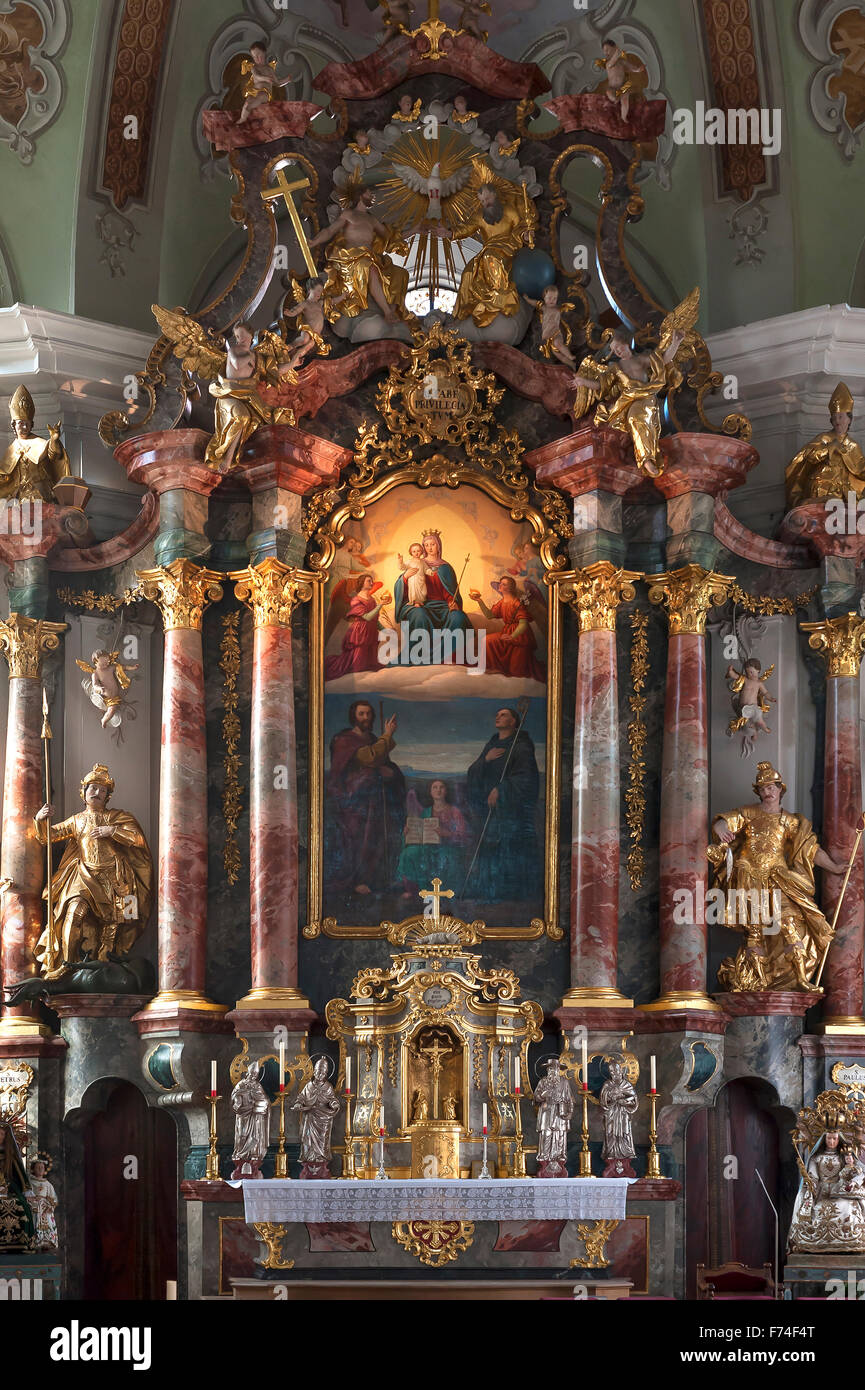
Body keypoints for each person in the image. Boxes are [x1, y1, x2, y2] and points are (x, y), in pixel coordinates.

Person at [710, 761, 847, 992]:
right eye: (763, 788)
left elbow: (810, 849)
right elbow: (724, 821)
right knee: (754, 931)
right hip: (748, 875)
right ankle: (760, 981)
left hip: (778, 877)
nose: (767, 792)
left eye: (771, 787)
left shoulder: (790, 821)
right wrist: (720, 829)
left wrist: (833, 867)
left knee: (791, 923)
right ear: (758, 791)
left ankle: (802, 979)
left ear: (780, 789)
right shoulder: (749, 813)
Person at [33, 763, 154, 981]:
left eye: (102, 790)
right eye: (92, 788)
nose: (97, 792)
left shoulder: (118, 817)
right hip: (83, 874)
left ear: (108, 796)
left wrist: (113, 831)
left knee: (117, 923)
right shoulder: (77, 820)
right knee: (73, 912)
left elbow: (137, 840)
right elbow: (47, 837)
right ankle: (66, 964)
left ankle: (106, 961)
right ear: (84, 792)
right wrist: (41, 820)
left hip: (116, 877)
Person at [326, 700, 406, 896]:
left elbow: (383, 762)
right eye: (362, 714)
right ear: (354, 716)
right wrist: (387, 735)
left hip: (374, 801)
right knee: (358, 840)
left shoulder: (372, 738)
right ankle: (357, 880)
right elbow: (369, 758)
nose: (366, 718)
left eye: (369, 714)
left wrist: (389, 771)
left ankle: (377, 879)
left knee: (376, 839)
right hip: (353, 801)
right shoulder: (344, 740)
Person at [464, 707, 540, 901]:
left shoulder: (521, 745)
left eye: (504, 714)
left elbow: (526, 777)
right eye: (497, 714)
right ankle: (487, 892)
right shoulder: (492, 743)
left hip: (511, 810)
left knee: (508, 848)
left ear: (514, 721)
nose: (498, 717)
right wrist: (486, 760)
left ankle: (507, 895)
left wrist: (502, 789)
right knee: (488, 847)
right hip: (489, 808)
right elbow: (473, 771)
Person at [308, 184, 410, 324]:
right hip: (350, 259)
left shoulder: (372, 219)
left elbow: (390, 237)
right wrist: (314, 242)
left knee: (401, 273)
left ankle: (398, 308)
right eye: (369, 194)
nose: (372, 196)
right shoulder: (348, 214)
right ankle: (387, 312)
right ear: (360, 196)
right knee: (370, 268)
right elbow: (330, 231)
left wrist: (415, 230)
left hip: (369, 256)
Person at [444, 177, 536, 327]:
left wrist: (525, 235)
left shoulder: (509, 211)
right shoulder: (480, 216)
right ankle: (460, 316)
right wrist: (449, 233)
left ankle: (499, 296)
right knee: (468, 272)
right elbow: (466, 228)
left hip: (508, 248)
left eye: (487, 198)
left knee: (490, 257)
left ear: (495, 195)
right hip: (489, 249)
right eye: (482, 201)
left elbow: (520, 228)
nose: (485, 203)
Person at [785, 382, 865, 508]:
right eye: (834, 418)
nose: (837, 421)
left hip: (843, 489)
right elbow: (808, 456)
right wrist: (829, 448)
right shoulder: (824, 438)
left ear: (849, 419)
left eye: (841, 417)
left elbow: (861, 470)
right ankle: (806, 503)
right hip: (821, 483)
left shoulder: (853, 445)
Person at [393, 529, 472, 650]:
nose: (429, 548)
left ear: (438, 546)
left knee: (458, 617)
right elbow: (402, 585)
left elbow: (450, 591)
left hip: (443, 606)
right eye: (426, 545)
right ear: (423, 547)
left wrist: (453, 602)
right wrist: (405, 577)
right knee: (419, 615)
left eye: (433, 544)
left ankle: (451, 655)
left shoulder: (446, 567)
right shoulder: (417, 562)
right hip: (421, 604)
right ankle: (420, 654)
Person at [788, 1129, 865, 1253]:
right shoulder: (816, 1158)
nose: (832, 1141)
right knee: (816, 1210)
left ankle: (850, 1245)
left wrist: (853, 1182)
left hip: (840, 1191)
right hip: (821, 1192)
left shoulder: (845, 1157)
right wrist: (810, 1183)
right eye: (829, 1138)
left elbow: (860, 1171)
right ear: (824, 1139)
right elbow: (813, 1177)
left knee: (848, 1208)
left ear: (839, 1139)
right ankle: (816, 1246)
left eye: (834, 1138)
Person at [396, 778, 472, 897]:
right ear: (430, 792)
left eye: (441, 787)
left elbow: (463, 836)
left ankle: (443, 894)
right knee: (409, 852)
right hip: (427, 847)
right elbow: (419, 833)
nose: (438, 790)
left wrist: (446, 834)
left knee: (444, 858)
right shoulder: (426, 812)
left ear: (446, 791)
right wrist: (407, 832)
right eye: (435, 787)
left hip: (447, 848)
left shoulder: (454, 811)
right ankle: (416, 891)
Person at [0, 384, 71, 502]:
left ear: (31, 425)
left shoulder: (39, 442)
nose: (24, 427)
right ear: (14, 424)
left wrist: (53, 440)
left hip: (40, 492)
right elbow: (5, 475)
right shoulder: (11, 449)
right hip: (19, 495)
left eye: (27, 423)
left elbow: (54, 455)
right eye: (20, 423)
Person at [468, 575, 545, 680]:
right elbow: (489, 615)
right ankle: (491, 668)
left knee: (517, 672)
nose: (500, 585)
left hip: (520, 637)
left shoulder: (517, 603)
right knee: (487, 640)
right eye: (500, 583)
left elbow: (523, 624)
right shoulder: (501, 603)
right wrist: (479, 601)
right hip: (506, 632)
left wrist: (512, 636)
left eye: (503, 584)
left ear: (510, 588)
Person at [324, 575, 393, 680]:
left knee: (370, 666)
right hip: (360, 633)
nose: (371, 583)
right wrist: (381, 604)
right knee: (357, 666)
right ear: (362, 584)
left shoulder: (372, 600)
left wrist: (385, 630)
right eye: (369, 581)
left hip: (371, 633)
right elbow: (367, 617)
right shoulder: (356, 600)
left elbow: (374, 619)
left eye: (372, 581)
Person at [292, 1058, 340, 1178]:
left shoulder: (328, 1087)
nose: (320, 1075)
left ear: (326, 1074)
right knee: (307, 1139)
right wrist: (298, 1104)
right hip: (309, 1118)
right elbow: (301, 1098)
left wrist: (334, 1104)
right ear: (314, 1072)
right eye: (318, 1072)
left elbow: (332, 1099)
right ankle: (309, 1159)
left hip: (323, 1120)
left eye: (323, 1073)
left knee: (322, 1140)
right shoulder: (309, 1086)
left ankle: (320, 1160)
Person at [533, 1058, 574, 1175]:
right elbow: (536, 1097)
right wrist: (542, 1095)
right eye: (550, 1069)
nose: (552, 1071)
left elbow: (570, 1098)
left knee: (559, 1135)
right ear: (547, 1070)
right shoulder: (543, 1082)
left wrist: (569, 1111)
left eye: (555, 1069)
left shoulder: (564, 1082)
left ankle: (559, 1157)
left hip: (559, 1113)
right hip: (546, 1113)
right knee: (546, 1135)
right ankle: (545, 1158)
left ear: (558, 1070)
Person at [230, 1062, 270, 1179]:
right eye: (252, 1073)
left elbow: (264, 1100)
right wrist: (238, 1102)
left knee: (255, 1137)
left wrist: (263, 1104)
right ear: (247, 1072)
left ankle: (253, 1155)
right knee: (242, 1135)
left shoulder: (257, 1086)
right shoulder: (241, 1084)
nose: (253, 1076)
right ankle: (240, 1154)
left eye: (256, 1074)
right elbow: (234, 1097)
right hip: (243, 1115)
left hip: (255, 1117)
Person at [599, 1060, 638, 1177]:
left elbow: (634, 1100)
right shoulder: (607, 1085)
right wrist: (611, 1097)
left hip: (623, 1114)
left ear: (621, 1071)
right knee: (611, 1134)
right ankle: (611, 1153)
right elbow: (603, 1101)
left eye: (616, 1070)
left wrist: (624, 1100)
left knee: (624, 1134)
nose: (614, 1073)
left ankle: (625, 1154)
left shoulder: (627, 1085)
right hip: (611, 1115)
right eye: (611, 1071)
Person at [25, 1155, 58, 1249]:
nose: (40, 1169)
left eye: (42, 1167)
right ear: (33, 1169)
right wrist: (31, 1199)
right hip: (34, 1208)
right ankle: (34, 1241)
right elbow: (26, 1193)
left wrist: (50, 1205)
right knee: (34, 1222)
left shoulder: (48, 1184)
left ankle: (47, 1241)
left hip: (45, 1210)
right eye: (38, 1167)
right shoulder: (29, 1182)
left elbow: (54, 1198)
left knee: (47, 1225)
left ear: (45, 1170)